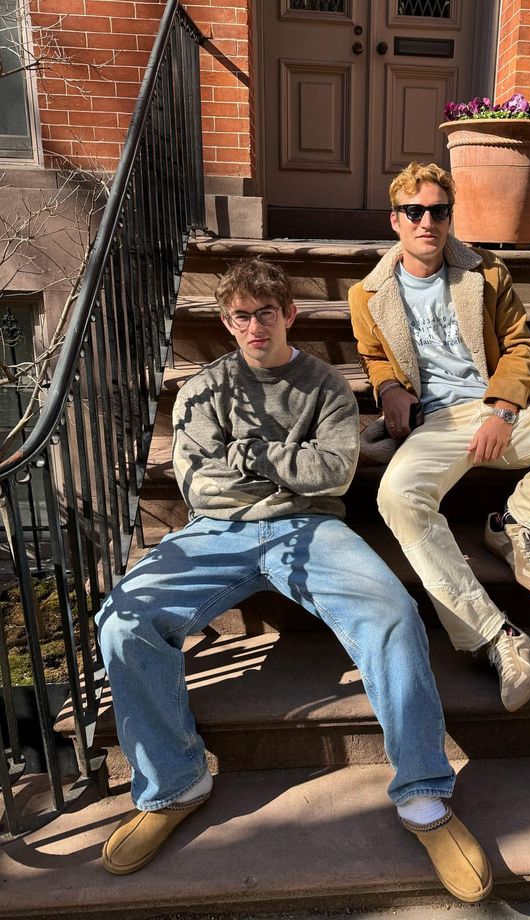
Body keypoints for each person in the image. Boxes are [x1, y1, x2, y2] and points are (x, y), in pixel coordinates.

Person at [95, 258, 492, 903]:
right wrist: (284, 468)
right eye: (241, 316)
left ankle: (423, 796)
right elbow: (198, 484)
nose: (254, 326)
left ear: (290, 315)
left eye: (266, 313)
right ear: (227, 322)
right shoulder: (203, 390)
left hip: (312, 527)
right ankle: (173, 785)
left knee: (391, 612)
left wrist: (249, 456)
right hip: (215, 531)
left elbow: (334, 474)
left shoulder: (326, 386)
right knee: (123, 618)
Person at [349, 162, 530, 713]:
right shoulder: (369, 293)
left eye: (439, 211)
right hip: (440, 424)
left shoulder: (486, 271)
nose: (427, 221)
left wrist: (503, 410)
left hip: (502, 411)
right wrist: (388, 392)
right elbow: (374, 356)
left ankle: (514, 524)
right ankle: (499, 639)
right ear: (396, 221)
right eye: (415, 211)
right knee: (397, 496)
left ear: (450, 217)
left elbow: (522, 346)